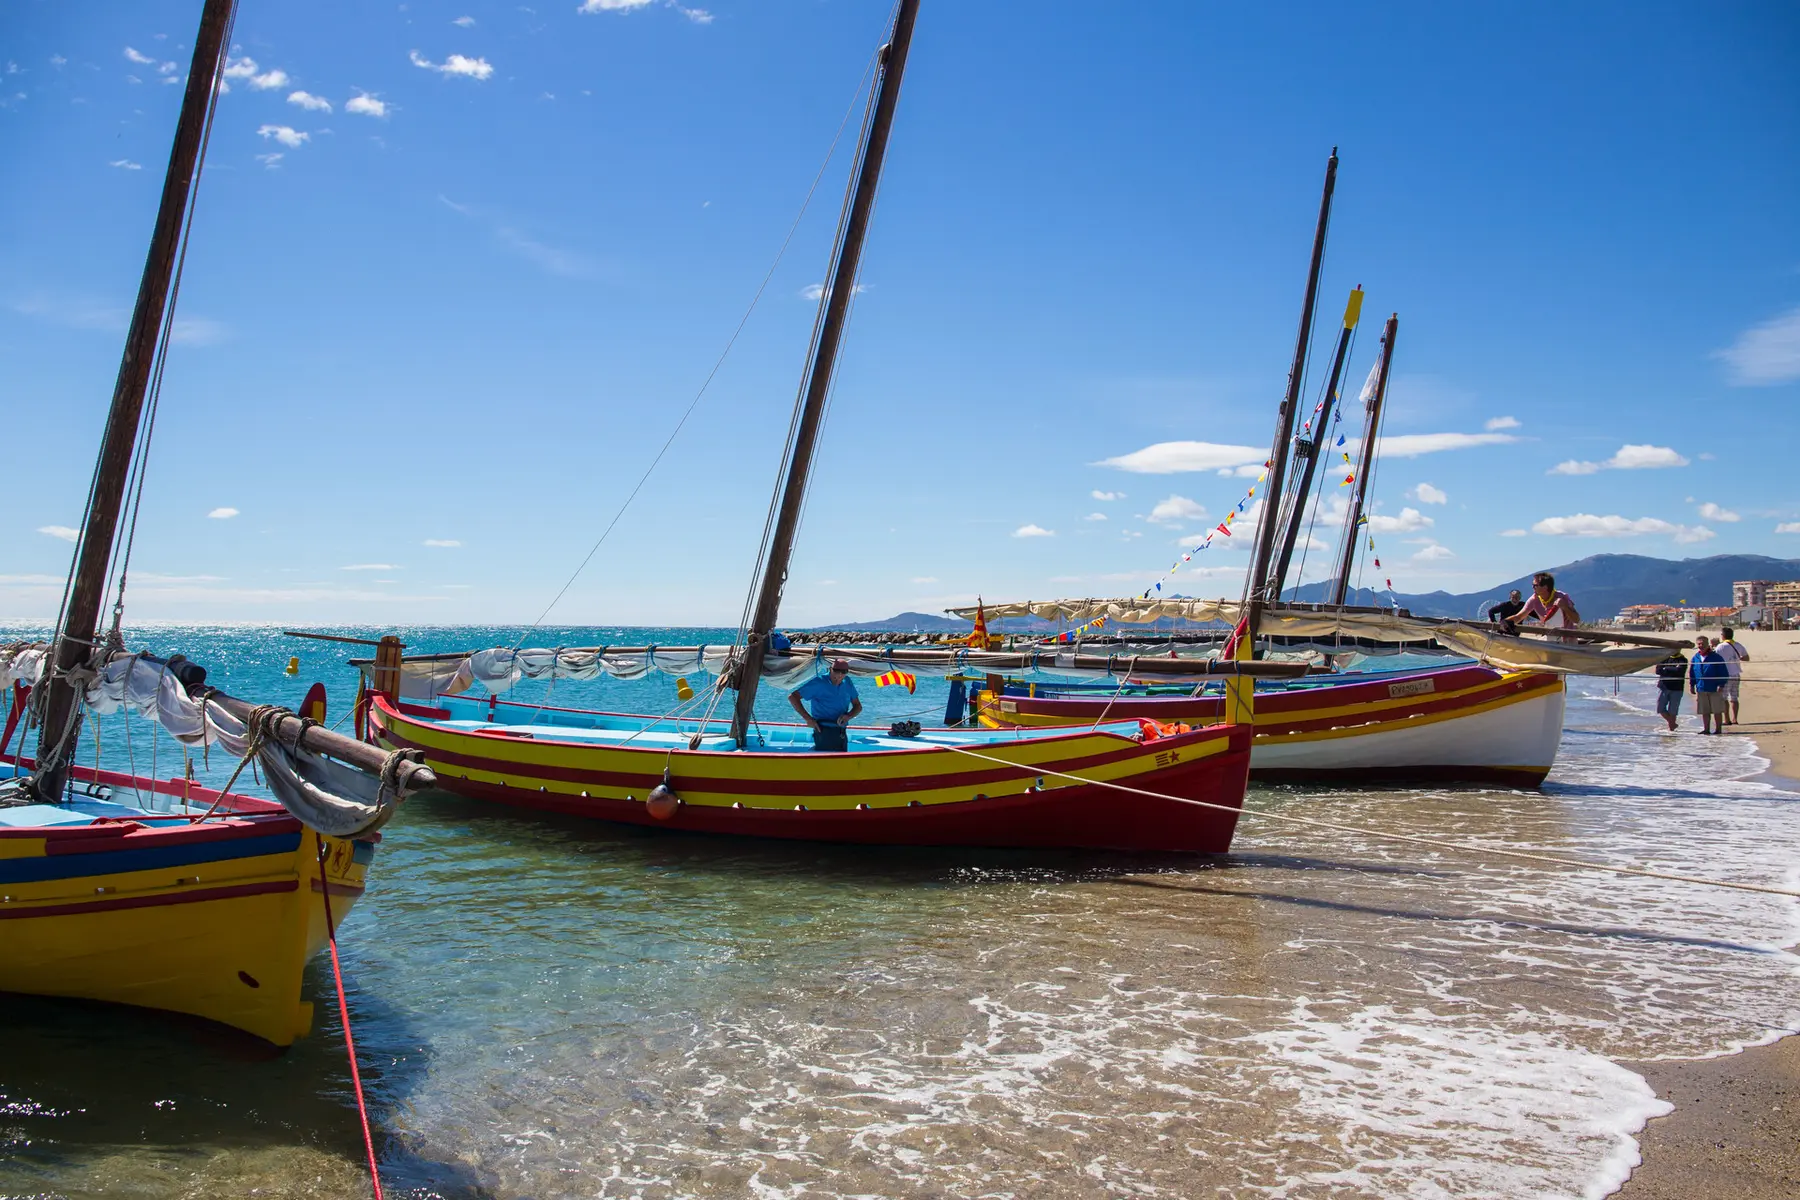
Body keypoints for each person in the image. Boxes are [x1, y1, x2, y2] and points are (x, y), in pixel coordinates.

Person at [789, 658, 862, 752]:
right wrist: (808, 719)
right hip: (823, 730)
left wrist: (848, 716)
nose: (839, 676)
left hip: (841, 731)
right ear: (830, 669)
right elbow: (793, 697)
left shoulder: (847, 681)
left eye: (843, 674)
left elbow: (858, 706)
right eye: (836, 673)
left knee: (841, 761)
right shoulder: (819, 682)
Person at [1688, 635, 1727, 735]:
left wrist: (1721, 684)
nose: (1701, 645)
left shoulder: (1716, 657)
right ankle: (1706, 729)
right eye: (1699, 644)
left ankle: (1718, 730)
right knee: (1705, 711)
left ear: (1707, 644)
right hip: (1701, 687)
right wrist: (1692, 685)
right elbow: (1692, 672)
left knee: (1717, 710)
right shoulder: (1695, 658)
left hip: (1714, 687)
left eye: (1702, 643)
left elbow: (1723, 672)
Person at [1714, 627, 1750, 725]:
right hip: (1736, 674)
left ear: (1723, 636)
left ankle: (1727, 719)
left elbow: (1715, 659)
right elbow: (1747, 658)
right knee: (1734, 698)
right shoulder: (1738, 645)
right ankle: (1735, 719)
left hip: (1725, 675)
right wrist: (1738, 658)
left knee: (1724, 698)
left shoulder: (1720, 647)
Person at [1653, 648, 1688, 732]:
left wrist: (1666, 669)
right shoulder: (1664, 658)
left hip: (1677, 688)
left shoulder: (1682, 659)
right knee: (1660, 708)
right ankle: (1672, 724)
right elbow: (1658, 671)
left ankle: (1671, 730)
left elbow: (1680, 671)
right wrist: (1671, 669)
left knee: (1673, 710)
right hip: (1664, 686)